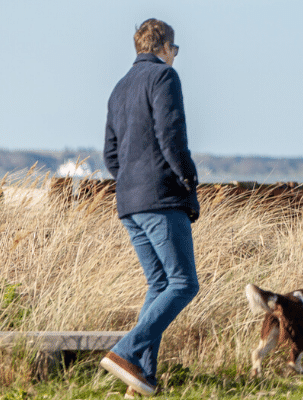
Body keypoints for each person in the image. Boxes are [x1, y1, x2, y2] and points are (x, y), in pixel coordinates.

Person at [100, 18, 200, 397]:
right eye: (175, 50)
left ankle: (140, 377)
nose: (175, 56)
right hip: (161, 197)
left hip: (128, 202)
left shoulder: (119, 88)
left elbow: (111, 154)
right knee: (183, 283)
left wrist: (132, 179)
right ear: (165, 47)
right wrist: (188, 180)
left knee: (159, 284)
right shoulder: (164, 79)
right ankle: (125, 351)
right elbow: (172, 136)